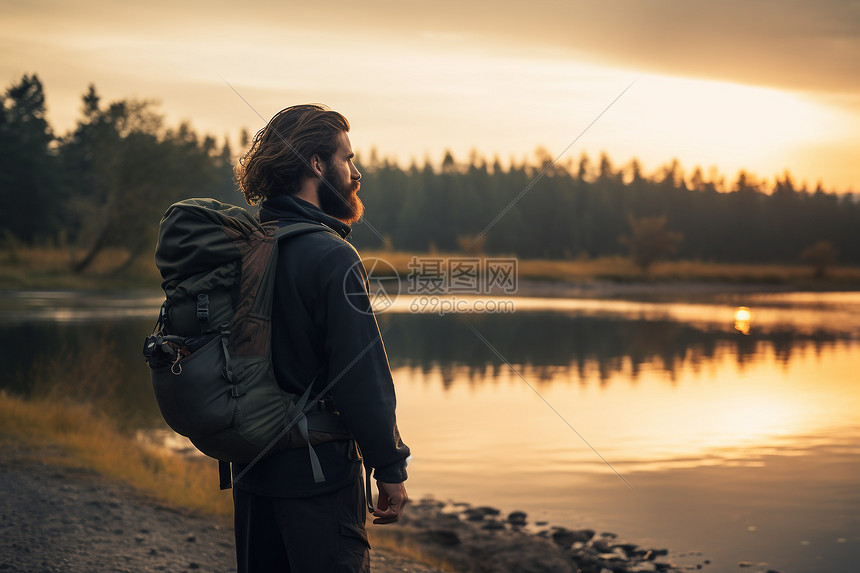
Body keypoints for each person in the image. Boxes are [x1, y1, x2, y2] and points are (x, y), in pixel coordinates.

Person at [231, 104, 410, 572]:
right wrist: (389, 468)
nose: (356, 171)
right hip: (318, 477)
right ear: (316, 163)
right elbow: (361, 375)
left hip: (250, 466)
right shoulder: (333, 256)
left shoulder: (243, 247)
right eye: (347, 158)